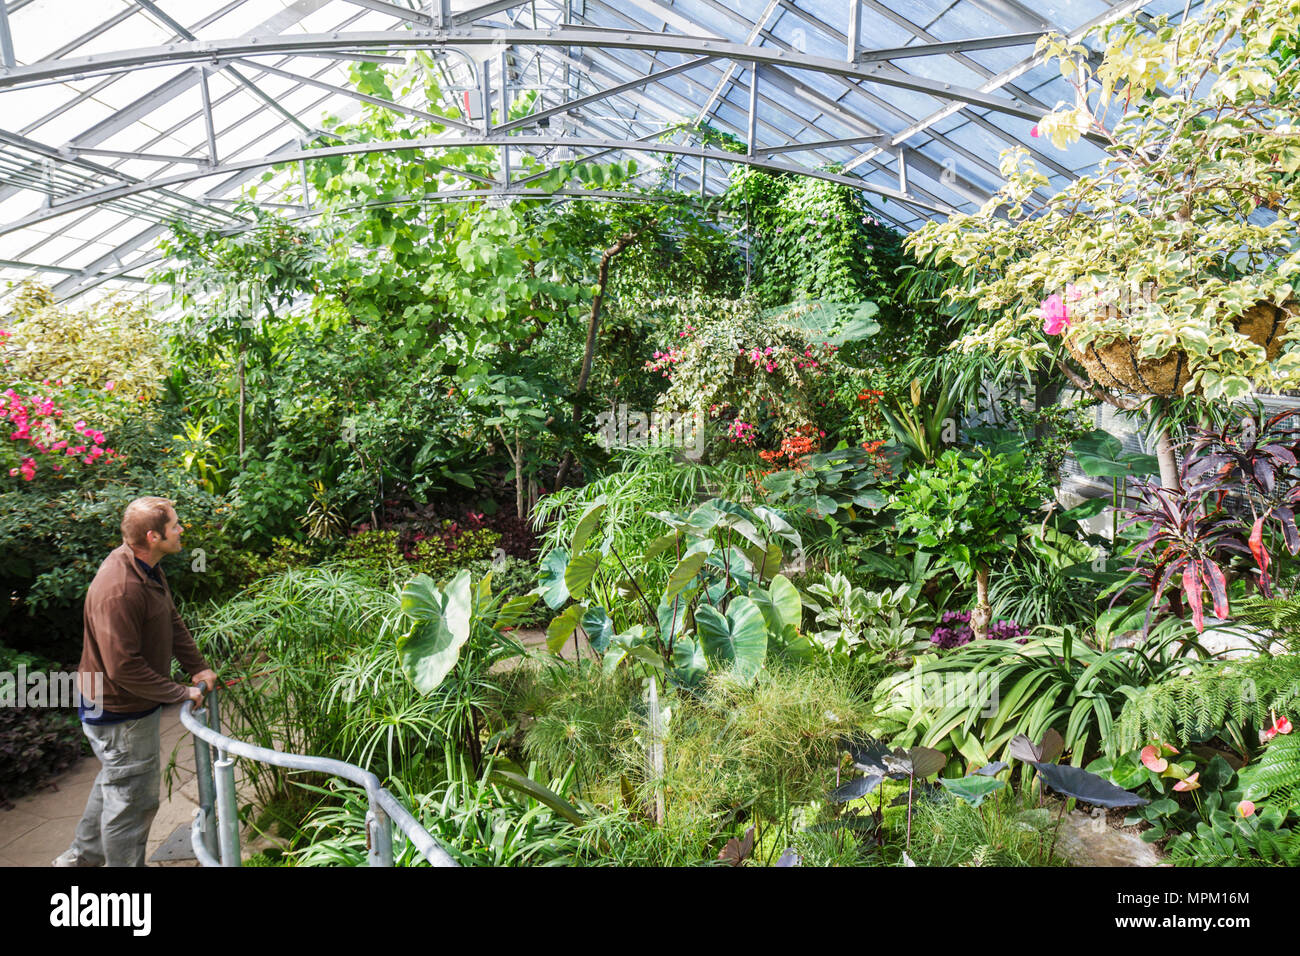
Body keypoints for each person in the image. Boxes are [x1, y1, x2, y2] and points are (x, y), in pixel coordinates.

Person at [53, 496, 218, 867]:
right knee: (133, 800)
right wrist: (182, 692)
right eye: (175, 525)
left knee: (116, 781)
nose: (181, 530)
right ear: (152, 536)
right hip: (118, 710)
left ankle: (81, 858)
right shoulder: (120, 588)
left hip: (125, 704)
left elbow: (170, 620)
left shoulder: (146, 567)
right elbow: (123, 668)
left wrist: (198, 667)